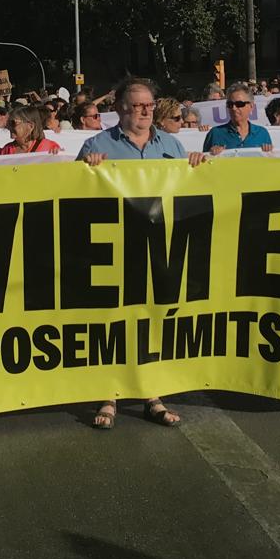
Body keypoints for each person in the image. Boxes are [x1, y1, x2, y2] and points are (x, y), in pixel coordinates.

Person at [80, 77, 204, 429]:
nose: (146, 111)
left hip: (158, 247)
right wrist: (87, 170)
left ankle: (152, 393)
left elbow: (190, 193)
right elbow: (74, 197)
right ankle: (109, 395)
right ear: (120, 108)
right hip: (115, 249)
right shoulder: (97, 144)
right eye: (138, 105)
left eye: (150, 104)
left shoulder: (174, 146)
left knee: (152, 319)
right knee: (114, 321)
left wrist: (196, 166)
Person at [204, 83, 273, 154]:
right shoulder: (215, 133)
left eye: (239, 104)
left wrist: (269, 153)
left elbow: (270, 161)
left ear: (251, 106)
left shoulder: (262, 133)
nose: (234, 108)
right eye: (230, 104)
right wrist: (211, 154)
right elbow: (205, 162)